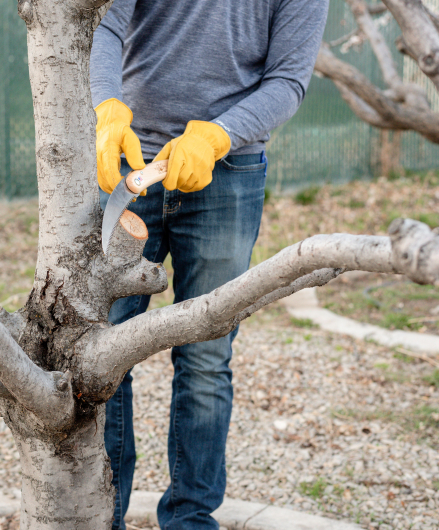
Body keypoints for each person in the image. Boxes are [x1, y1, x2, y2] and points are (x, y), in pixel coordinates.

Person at [90, 1, 329, 529]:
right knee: (102, 350)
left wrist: (217, 134)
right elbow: (106, 24)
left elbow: (288, 80)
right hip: (133, 164)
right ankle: (101, 517)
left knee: (205, 358)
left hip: (229, 170)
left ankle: (191, 519)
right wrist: (107, 107)